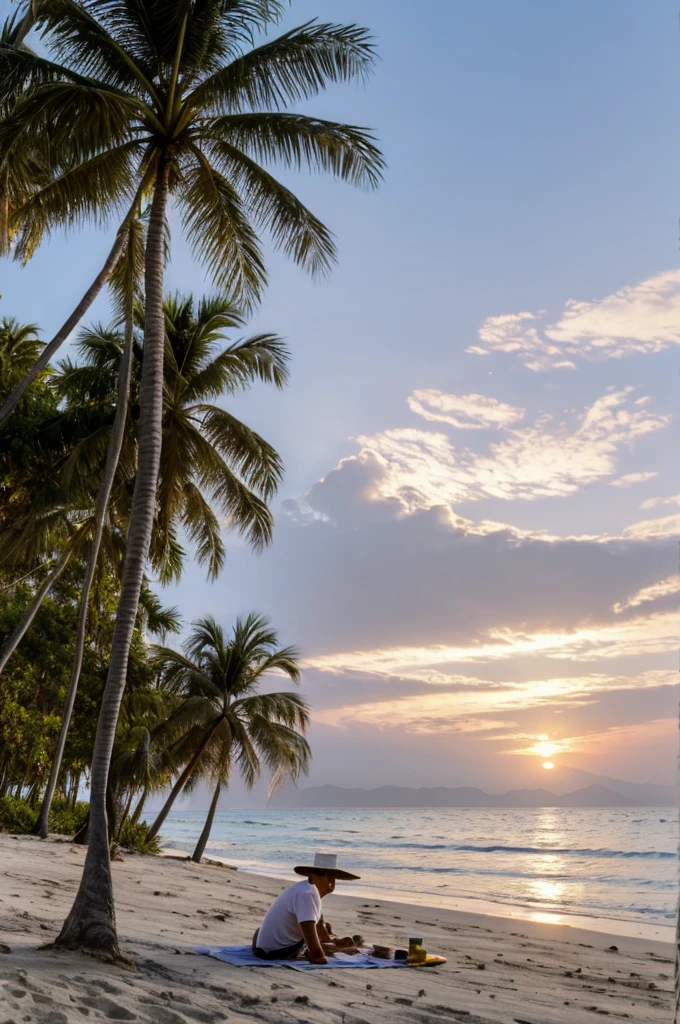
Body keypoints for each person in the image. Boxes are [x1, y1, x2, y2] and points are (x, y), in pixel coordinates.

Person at [252, 852, 360, 964]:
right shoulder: (307, 894)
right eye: (331, 878)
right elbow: (316, 953)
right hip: (275, 953)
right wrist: (321, 955)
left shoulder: (305, 888)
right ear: (331, 880)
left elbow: (319, 929)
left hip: (262, 948)